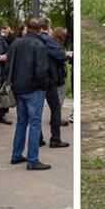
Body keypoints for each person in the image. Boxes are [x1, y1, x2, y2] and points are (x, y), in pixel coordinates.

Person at [7, 18, 53, 170]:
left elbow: (9, 66)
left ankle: (16, 154)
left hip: (18, 88)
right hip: (34, 88)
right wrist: (43, 86)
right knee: (34, 123)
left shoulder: (16, 44)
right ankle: (32, 160)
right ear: (40, 30)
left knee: (21, 122)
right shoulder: (39, 45)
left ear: (26, 28)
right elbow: (41, 69)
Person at [38, 17, 71, 148]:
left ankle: (38, 137)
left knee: (37, 110)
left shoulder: (32, 40)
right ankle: (55, 138)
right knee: (55, 107)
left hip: (36, 79)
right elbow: (60, 55)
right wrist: (67, 54)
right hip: (49, 78)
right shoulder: (47, 40)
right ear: (47, 27)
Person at [52, 27, 72, 125]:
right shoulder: (57, 47)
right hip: (60, 74)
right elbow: (62, 59)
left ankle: (55, 117)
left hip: (56, 74)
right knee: (60, 96)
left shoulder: (52, 45)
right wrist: (67, 55)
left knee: (58, 96)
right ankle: (56, 118)